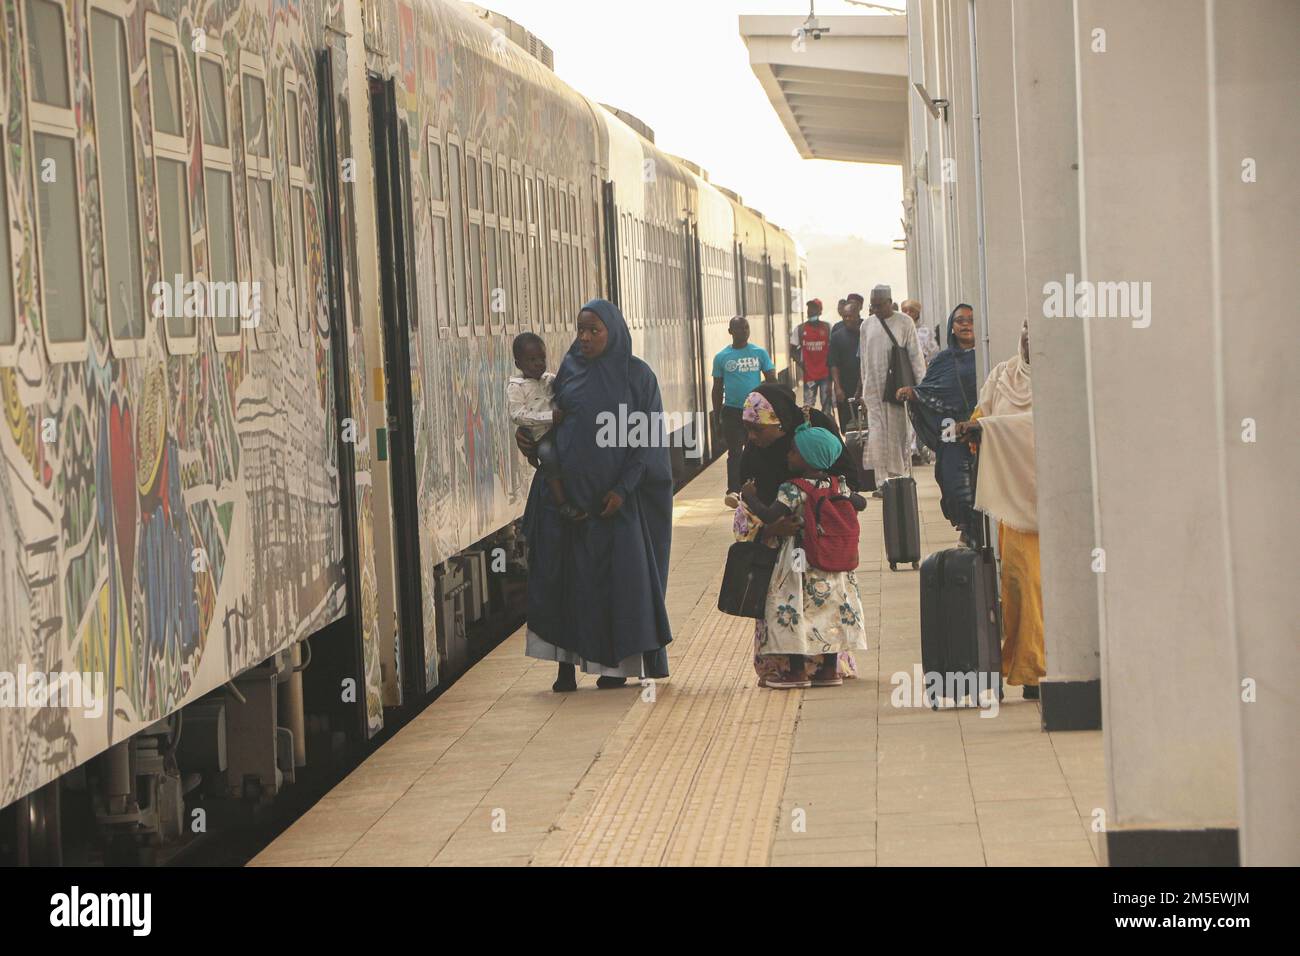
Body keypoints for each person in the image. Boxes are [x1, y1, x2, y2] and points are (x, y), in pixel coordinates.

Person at [515, 299, 674, 692]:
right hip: (565, 502)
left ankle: (614, 668)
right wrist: (530, 443)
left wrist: (622, 490)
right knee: (565, 584)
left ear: (613, 332)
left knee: (619, 585)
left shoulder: (638, 378)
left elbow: (646, 443)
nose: (584, 338)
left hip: (616, 504)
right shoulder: (567, 371)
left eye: (594, 331)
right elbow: (548, 421)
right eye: (581, 330)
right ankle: (565, 667)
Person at [734, 384, 862, 687]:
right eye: (747, 430)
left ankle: (803, 670)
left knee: (790, 608)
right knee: (814, 604)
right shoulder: (755, 453)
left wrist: (820, 516)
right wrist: (768, 528)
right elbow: (747, 499)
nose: (752, 438)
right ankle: (812, 668)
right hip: (780, 549)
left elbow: (849, 484)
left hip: (817, 548)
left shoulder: (815, 428)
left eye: (759, 430)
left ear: (782, 425)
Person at [956, 321, 1042, 699]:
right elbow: (981, 418)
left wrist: (993, 428)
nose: (1028, 341)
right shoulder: (1003, 376)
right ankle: (1031, 671)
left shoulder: (1066, 378)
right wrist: (976, 429)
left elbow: (1052, 427)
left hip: (1061, 507)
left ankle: (1053, 666)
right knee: (1021, 587)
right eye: (1025, 333)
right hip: (1017, 508)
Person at [897, 305, 979, 544]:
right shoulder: (943, 360)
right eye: (960, 320)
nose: (965, 324)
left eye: (971, 320)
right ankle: (967, 528)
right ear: (951, 327)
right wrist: (913, 394)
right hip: (953, 433)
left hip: (987, 431)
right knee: (956, 489)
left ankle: (978, 536)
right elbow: (930, 391)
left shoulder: (990, 355)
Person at [508, 333, 585, 522]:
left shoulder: (550, 380)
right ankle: (562, 503)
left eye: (542, 358)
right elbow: (517, 414)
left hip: (556, 432)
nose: (538, 364)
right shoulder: (516, 387)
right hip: (540, 436)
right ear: (519, 364)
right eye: (532, 360)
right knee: (548, 454)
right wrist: (549, 417)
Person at [857, 284, 926, 492]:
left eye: (879, 305)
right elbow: (864, 361)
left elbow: (915, 356)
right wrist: (863, 390)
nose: (876, 310)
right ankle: (882, 482)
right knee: (877, 436)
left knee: (897, 435)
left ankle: (899, 478)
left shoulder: (904, 322)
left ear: (890, 302)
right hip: (874, 392)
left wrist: (921, 389)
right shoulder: (866, 325)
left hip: (898, 389)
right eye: (873, 306)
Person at [712, 316, 776, 503]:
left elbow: (772, 379)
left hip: (755, 409)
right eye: (739, 328)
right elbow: (717, 389)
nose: (744, 331)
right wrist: (717, 418)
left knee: (757, 448)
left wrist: (773, 406)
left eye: (746, 328)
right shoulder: (722, 357)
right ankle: (733, 490)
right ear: (730, 331)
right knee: (735, 452)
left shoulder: (759, 353)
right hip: (732, 411)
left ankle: (757, 485)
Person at [829, 293, 863, 429]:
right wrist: (837, 387)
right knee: (847, 425)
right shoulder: (837, 336)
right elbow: (833, 364)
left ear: (858, 315)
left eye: (850, 316)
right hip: (845, 386)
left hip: (865, 385)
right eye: (845, 317)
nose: (847, 319)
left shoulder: (866, 331)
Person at [795, 299, 833, 415]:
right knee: (808, 408)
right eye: (809, 308)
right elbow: (792, 349)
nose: (810, 311)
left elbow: (833, 348)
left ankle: (825, 430)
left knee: (826, 407)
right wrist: (801, 364)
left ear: (820, 311)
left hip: (825, 375)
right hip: (809, 375)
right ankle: (810, 430)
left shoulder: (827, 328)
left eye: (814, 308)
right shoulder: (800, 329)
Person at [902, 299, 940, 365]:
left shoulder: (925, 331)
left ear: (917, 314)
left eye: (911, 311)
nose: (907, 313)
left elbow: (934, 352)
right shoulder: (898, 331)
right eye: (905, 311)